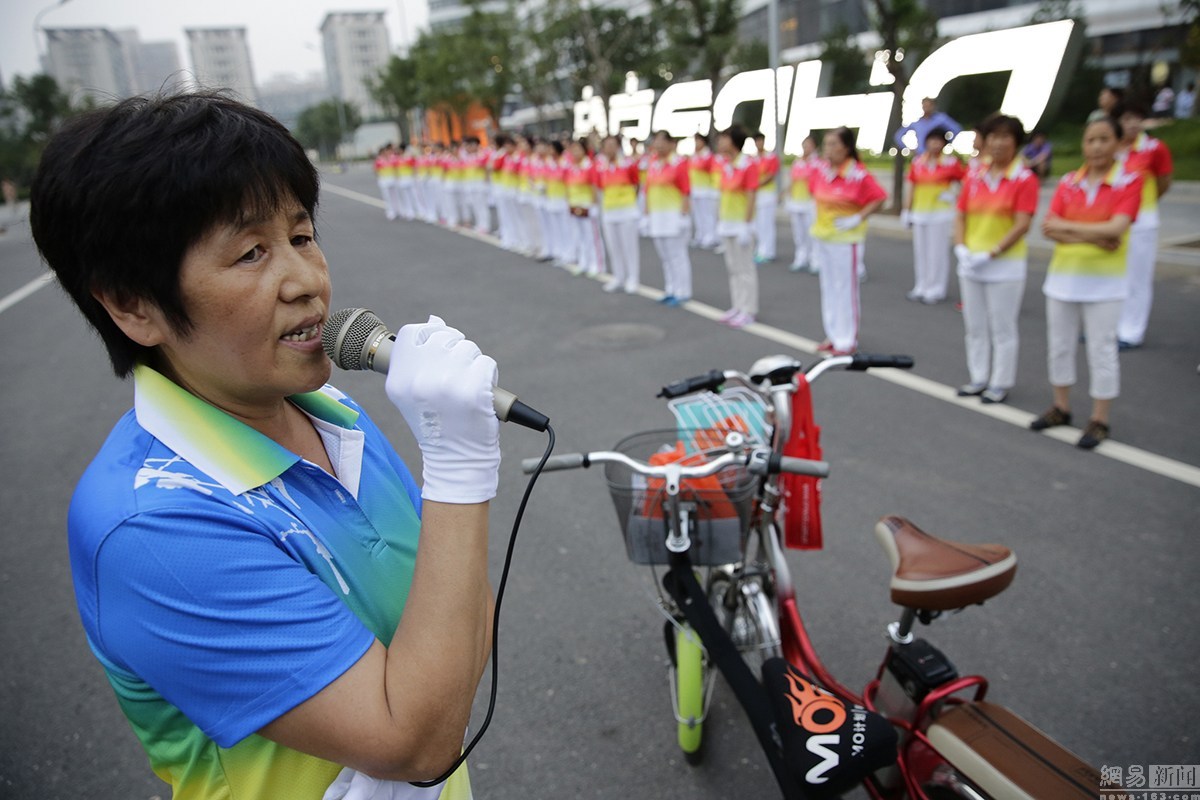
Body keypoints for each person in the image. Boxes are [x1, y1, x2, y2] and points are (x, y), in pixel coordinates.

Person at [29, 91, 495, 799]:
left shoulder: (333, 415)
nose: (308, 282)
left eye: (302, 236)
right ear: (134, 305)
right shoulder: (151, 528)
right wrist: (458, 469)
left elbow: (449, 641)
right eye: (251, 253)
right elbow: (418, 741)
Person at [1033, 116, 1142, 450]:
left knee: (1102, 349)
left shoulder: (1128, 181)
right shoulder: (1068, 182)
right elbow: (1049, 227)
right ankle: (1061, 407)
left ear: (1118, 143)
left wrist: (1071, 229)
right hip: (1063, 280)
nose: (1096, 146)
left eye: (1104, 139)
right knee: (1060, 345)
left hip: (1105, 285)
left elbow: (1117, 229)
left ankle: (1099, 418)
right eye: (1091, 139)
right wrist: (1097, 234)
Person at [952, 114, 1039, 405]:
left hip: (1004, 265)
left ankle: (1000, 382)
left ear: (1016, 142)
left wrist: (991, 252)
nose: (998, 143)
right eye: (993, 137)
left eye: (1005, 137)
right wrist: (962, 248)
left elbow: (1022, 223)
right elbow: (961, 213)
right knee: (974, 326)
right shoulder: (975, 174)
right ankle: (978, 377)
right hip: (971, 262)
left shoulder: (1024, 179)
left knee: (1002, 327)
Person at [808, 127, 887, 355]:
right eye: (826, 144)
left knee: (846, 289)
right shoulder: (822, 170)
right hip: (824, 237)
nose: (828, 149)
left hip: (846, 240)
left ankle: (847, 339)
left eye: (833, 144)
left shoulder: (858, 174)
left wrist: (858, 217)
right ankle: (833, 334)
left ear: (846, 147)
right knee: (829, 288)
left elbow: (880, 198)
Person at [1114, 102, 1173, 350]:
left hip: (1142, 223)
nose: (1132, 124)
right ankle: (1112, 326)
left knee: (1138, 278)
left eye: (1137, 118)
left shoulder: (1154, 148)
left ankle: (1131, 331)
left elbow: (1163, 182)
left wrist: (1142, 203)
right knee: (1115, 276)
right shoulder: (1112, 147)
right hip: (1114, 222)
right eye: (1127, 119)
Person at [903, 126, 967, 304]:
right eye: (932, 140)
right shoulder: (918, 162)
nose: (935, 144)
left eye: (938, 141)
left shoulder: (950, 163)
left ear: (944, 144)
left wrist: (953, 195)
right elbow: (911, 187)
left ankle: (936, 288)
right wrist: (907, 210)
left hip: (940, 214)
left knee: (936, 252)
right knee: (921, 252)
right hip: (920, 212)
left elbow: (967, 183)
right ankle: (921, 285)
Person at [714, 125, 761, 328]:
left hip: (742, 225)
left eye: (724, 138)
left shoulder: (747, 165)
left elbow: (751, 195)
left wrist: (746, 224)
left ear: (733, 141)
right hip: (727, 223)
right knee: (733, 268)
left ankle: (749, 309)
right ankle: (738, 305)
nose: (720, 142)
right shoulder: (726, 165)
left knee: (745, 269)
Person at [645, 130, 693, 306]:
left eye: (661, 141)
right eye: (656, 141)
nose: (657, 145)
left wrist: (684, 215)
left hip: (673, 217)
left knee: (677, 255)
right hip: (657, 217)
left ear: (671, 143)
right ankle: (670, 288)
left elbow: (686, 191)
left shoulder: (679, 163)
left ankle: (683, 291)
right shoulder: (653, 163)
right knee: (665, 256)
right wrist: (646, 214)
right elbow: (648, 190)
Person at [594, 134, 641, 293]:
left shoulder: (628, 164)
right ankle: (618, 276)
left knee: (629, 246)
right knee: (614, 247)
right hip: (609, 212)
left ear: (619, 146)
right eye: (607, 145)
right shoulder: (600, 165)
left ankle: (633, 277)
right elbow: (599, 188)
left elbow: (636, 184)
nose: (610, 148)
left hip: (627, 211)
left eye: (613, 145)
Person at [564, 137, 605, 276]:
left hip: (587, 205)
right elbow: (568, 186)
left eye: (577, 149)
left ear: (584, 150)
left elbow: (594, 186)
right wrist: (569, 203)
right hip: (575, 204)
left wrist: (594, 205)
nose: (574, 152)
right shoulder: (571, 167)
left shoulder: (589, 166)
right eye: (572, 149)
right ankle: (584, 261)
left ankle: (597, 264)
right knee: (580, 235)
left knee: (592, 236)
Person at [786, 135, 819, 273]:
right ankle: (801, 257)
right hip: (796, 202)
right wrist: (788, 197)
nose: (806, 148)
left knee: (811, 232)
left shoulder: (818, 163)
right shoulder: (797, 162)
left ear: (814, 147)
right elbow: (792, 181)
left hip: (810, 202)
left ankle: (815, 260)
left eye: (809, 145)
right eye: (804, 145)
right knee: (799, 233)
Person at [893, 97, 961, 155]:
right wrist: (907, 149)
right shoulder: (917, 123)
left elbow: (956, 129)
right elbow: (898, 135)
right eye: (925, 106)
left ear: (933, 106)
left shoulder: (941, 119)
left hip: (936, 155)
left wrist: (946, 142)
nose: (927, 108)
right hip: (921, 154)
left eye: (929, 106)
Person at [752, 130, 779, 264]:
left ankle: (768, 251)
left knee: (767, 224)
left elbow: (771, 175)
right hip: (756, 196)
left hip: (767, 195)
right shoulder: (753, 158)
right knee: (758, 225)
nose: (758, 143)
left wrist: (756, 184)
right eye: (756, 141)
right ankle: (760, 249)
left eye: (760, 140)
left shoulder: (771, 157)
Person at [689, 132, 720, 249]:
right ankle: (700, 235)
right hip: (695, 190)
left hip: (706, 190)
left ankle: (710, 236)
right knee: (697, 215)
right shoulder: (694, 156)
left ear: (704, 142)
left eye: (698, 140)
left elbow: (708, 169)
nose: (696, 143)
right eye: (695, 140)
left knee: (707, 215)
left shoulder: (708, 156)